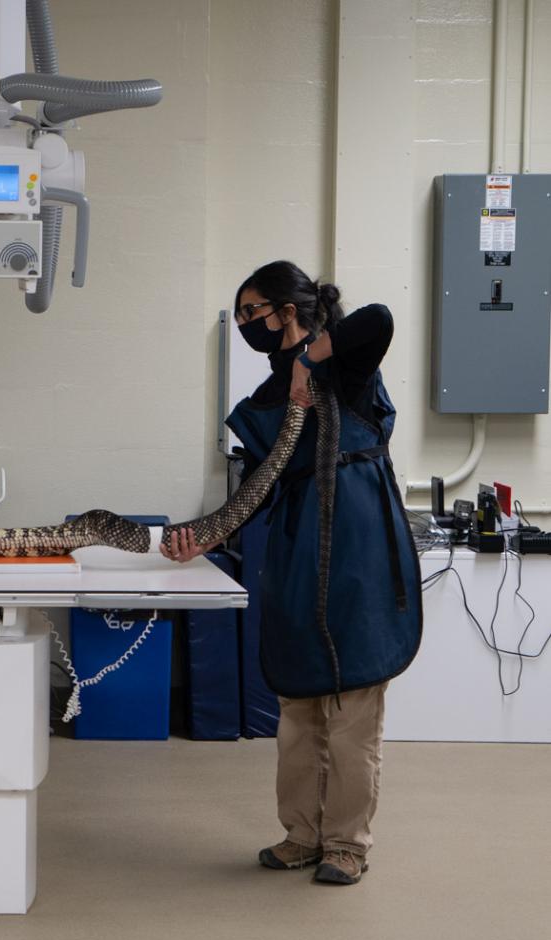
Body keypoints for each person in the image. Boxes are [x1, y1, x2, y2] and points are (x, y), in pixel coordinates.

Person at [162, 261, 421, 885]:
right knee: (298, 711)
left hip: (359, 550)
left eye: (253, 311)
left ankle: (347, 844)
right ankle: (302, 834)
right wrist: (205, 536)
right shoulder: (265, 404)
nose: (247, 324)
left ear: (286, 309)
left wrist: (310, 361)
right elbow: (257, 485)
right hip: (298, 554)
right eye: (242, 314)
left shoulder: (345, 367)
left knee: (355, 704)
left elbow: (378, 319)